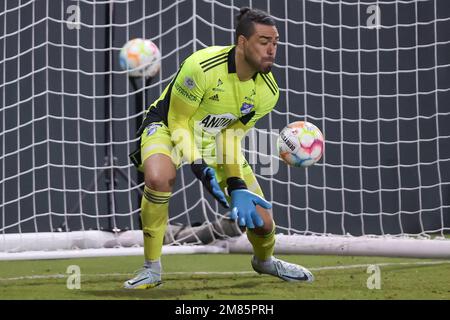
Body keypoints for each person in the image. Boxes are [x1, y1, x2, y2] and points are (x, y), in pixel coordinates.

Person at [125, 7, 314, 289]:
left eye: (275, 42)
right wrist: (198, 165)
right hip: (167, 128)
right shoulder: (201, 66)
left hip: (214, 140)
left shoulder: (268, 91)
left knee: (262, 223)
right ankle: (151, 268)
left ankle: (265, 261)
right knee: (158, 177)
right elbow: (178, 120)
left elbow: (230, 137)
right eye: (264, 42)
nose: (272, 49)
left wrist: (236, 184)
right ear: (242, 42)